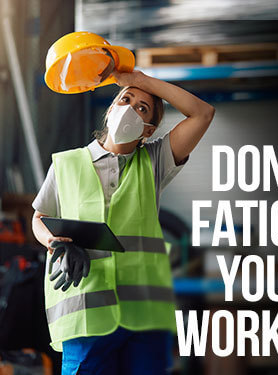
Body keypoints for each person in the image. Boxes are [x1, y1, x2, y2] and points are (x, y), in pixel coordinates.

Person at [31, 69, 215, 375]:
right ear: (110, 110)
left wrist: (139, 81)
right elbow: (39, 218)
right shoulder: (66, 163)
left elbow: (202, 113)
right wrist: (55, 243)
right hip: (86, 315)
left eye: (142, 108)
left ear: (148, 129)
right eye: (125, 99)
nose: (129, 108)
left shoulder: (155, 162)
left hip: (143, 317)